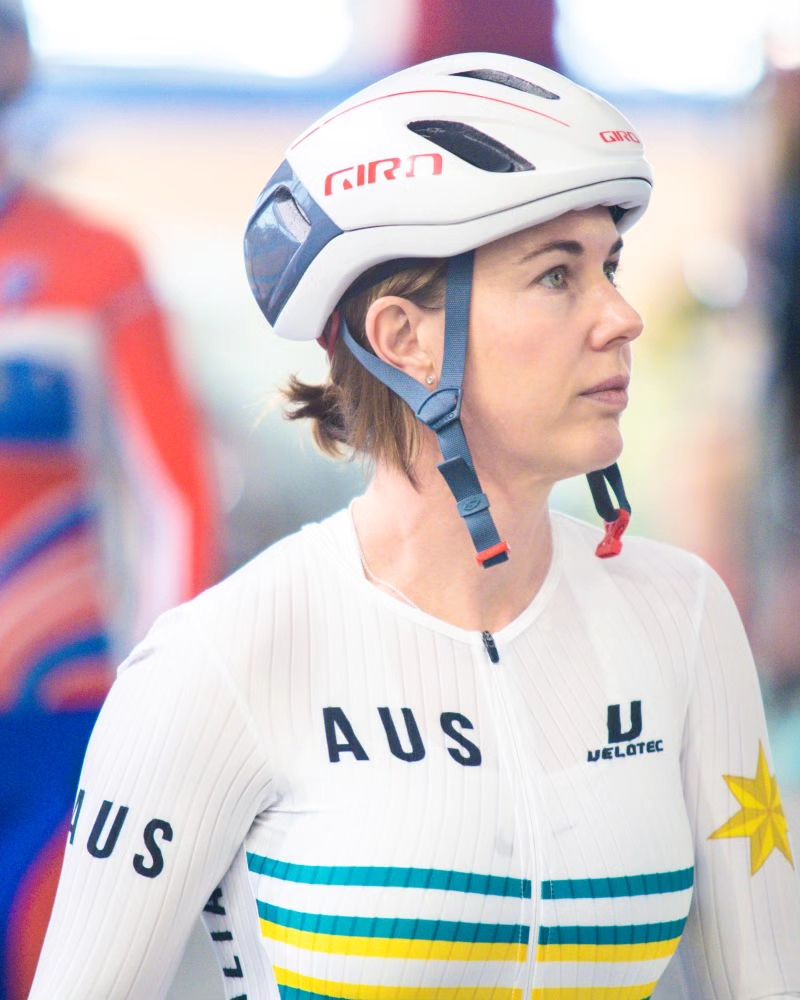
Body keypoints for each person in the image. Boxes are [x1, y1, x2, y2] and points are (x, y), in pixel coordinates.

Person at [30, 52, 800, 1000]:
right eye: (558, 276)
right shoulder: (223, 659)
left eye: (610, 265)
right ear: (403, 338)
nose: (622, 317)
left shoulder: (683, 621)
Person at [0, 3, 217, 998]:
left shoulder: (97, 260)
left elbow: (175, 497)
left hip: (63, 702)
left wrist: (165, 694)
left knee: (60, 967)